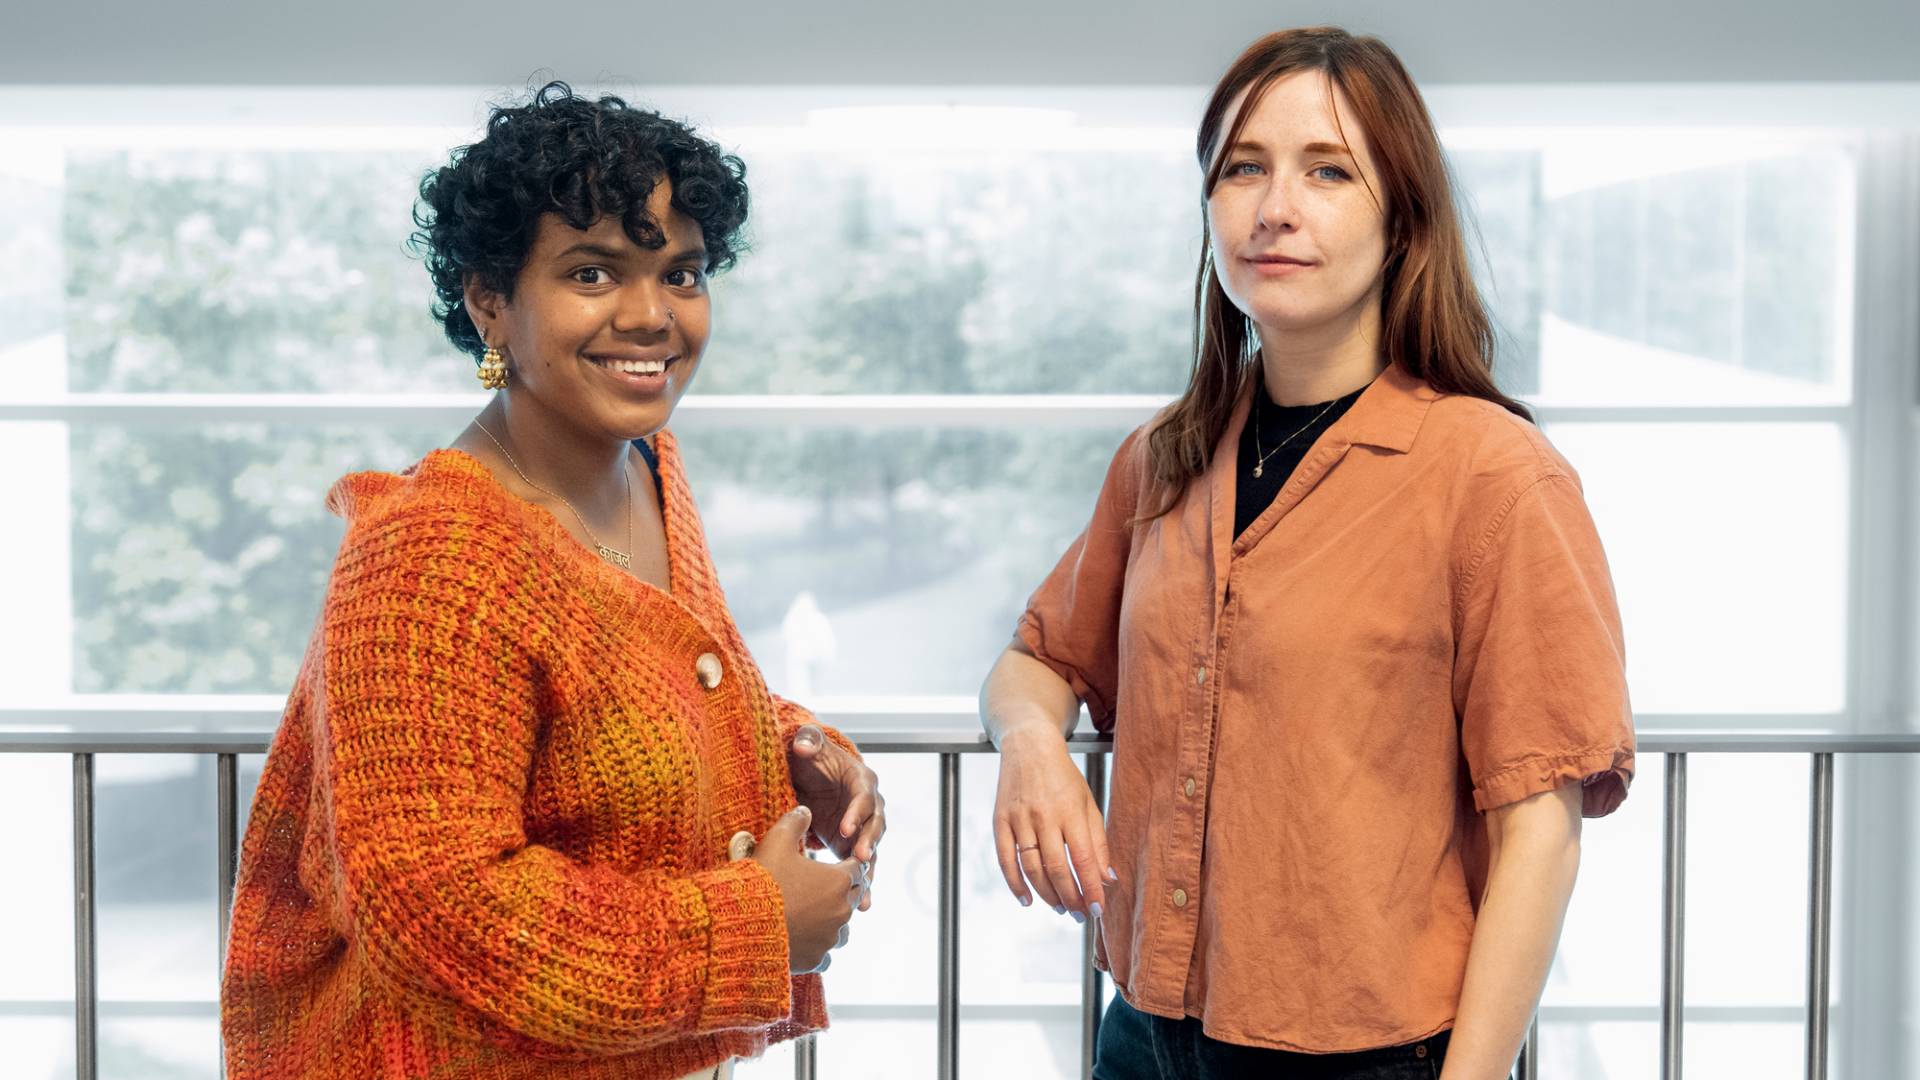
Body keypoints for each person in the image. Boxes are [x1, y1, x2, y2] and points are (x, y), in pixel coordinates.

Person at [980, 28, 1634, 1079]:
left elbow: (1540, 835)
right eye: (1244, 169)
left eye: (1327, 170)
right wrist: (1031, 747)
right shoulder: (1163, 458)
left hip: (1368, 1056)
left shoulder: (1495, 477)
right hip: (1142, 1036)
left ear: (1402, 217)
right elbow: (1037, 659)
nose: (1273, 207)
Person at [221, 82, 885, 1080]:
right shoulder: (431, 554)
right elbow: (436, 915)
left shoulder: (649, 472)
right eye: (593, 272)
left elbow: (619, 697)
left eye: (684, 273)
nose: (652, 315)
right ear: (491, 299)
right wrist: (753, 930)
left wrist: (791, 745)